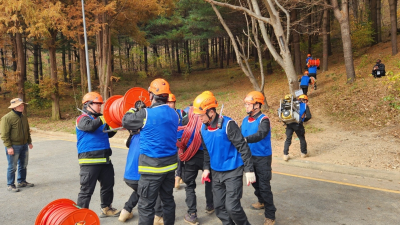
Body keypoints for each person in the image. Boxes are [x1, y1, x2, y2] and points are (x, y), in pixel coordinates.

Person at [193, 91, 255, 225]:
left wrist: (249, 170)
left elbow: (243, 147)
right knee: (219, 208)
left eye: (201, 115)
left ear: (210, 112)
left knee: (232, 207)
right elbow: (206, 151)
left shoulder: (228, 125)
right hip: (216, 173)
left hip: (233, 170)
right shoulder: (203, 129)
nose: (199, 119)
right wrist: (206, 168)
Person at [122, 78, 178, 225]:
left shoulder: (146, 114)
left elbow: (126, 120)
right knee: (168, 201)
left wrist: (134, 109)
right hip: (170, 168)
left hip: (151, 169)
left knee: (146, 206)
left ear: (151, 95)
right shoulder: (174, 114)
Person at [75, 92, 120, 217]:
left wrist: (116, 124)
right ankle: (80, 217)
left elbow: (109, 133)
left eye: (100, 104)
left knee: (108, 186)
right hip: (89, 162)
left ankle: (106, 208)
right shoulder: (82, 119)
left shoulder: (98, 120)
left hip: (105, 160)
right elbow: (90, 127)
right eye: (97, 104)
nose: (100, 107)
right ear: (87, 105)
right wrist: (105, 117)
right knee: (86, 191)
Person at [241, 91, 276, 225]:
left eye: (249, 104)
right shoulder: (245, 120)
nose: (246, 106)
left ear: (257, 105)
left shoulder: (264, 120)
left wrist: (245, 139)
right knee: (255, 183)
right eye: (246, 104)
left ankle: (270, 215)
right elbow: (238, 134)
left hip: (262, 158)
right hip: (249, 157)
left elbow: (260, 134)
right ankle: (261, 201)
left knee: (264, 186)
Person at [177, 103, 214, 224]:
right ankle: (210, 205)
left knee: (190, 186)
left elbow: (179, 136)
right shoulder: (208, 119)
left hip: (191, 156)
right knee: (208, 181)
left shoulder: (186, 118)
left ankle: (192, 214)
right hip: (206, 156)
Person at [118, 100, 147, 222]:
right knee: (151, 190)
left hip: (128, 176)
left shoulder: (133, 137)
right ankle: (157, 216)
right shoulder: (148, 137)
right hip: (138, 176)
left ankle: (125, 212)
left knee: (139, 190)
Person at [1, 98, 34, 192]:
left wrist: (29, 142)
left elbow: (27, 130)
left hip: (24, 145)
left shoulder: (23, 117)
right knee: (12, 166)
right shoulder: (7, 118)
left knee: (23, 165)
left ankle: (21, 181)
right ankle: (10, 185)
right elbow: (4, 134)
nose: (21, 107)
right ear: (14, 107)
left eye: (22, 105)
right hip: (14, 146)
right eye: (19, 105)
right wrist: (9, 147)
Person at [283, 94, 312, 161]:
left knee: (288, 139)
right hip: (298, 124)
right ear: (305, 100)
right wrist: (303, 120)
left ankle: (285, 155)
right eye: (306, 100)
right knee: (302, 138)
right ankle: (303, 153)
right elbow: (309, 116)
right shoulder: (305, 106)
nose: (306, 102)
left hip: (289, 123)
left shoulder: (291, 104)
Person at [166, 93, 186, 189]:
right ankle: (180, 175)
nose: (169, 104)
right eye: (167, 102)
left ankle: (177, 176)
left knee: (179, 158)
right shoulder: (164, 114)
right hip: (170, 140)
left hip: (180, 139)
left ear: (174, 103)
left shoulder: (181, 113)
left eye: (171, 102)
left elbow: (188, 124)